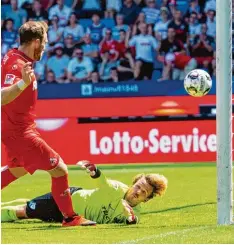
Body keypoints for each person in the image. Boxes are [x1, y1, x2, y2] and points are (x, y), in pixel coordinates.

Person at [1, 21, 96, 227]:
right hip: (20, 132)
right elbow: (1, 97)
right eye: (44, 43)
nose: (45, 47)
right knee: (60, 169)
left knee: (18, 170)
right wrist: (22, 83)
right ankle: (70, 218)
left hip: (15, 128)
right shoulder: (17, 65)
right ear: (35, 42)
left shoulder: (16, 57)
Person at [1, 160, 168, 225]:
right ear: (134, 183)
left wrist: (130, 216)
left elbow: (132, 221)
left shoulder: (135, 212)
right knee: (23, 213)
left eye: (144, 192)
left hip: (72, 218)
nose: (138, 191)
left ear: (146, 199)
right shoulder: (117, 188)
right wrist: (95, 171)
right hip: (68, 200)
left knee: (31, 208)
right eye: (138, 186)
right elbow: (103, 182)